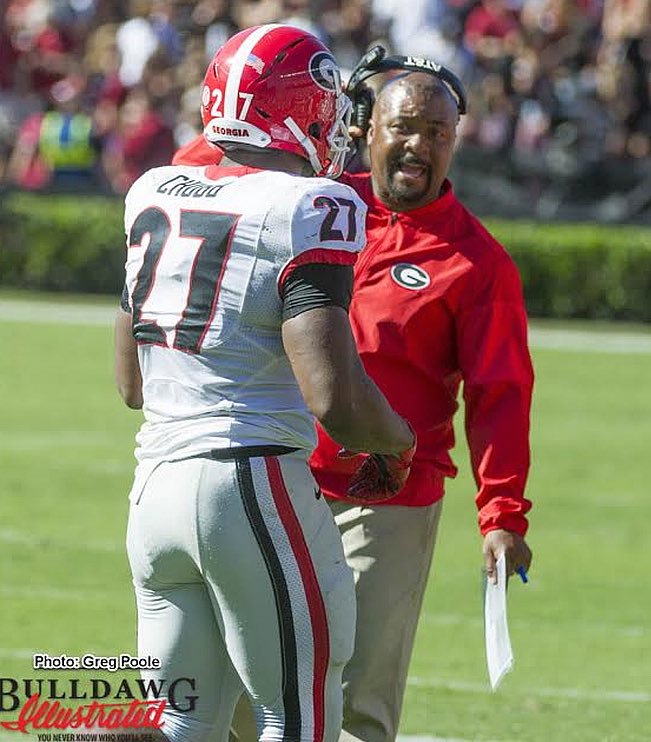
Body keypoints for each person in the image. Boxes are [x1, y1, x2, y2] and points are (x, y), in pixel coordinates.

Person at [173, 52, 534, 742]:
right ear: (365, 128)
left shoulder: (476, 262)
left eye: (437, 131)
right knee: (252, 696)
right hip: (279, 479)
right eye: (404, 126)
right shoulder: (315, 201)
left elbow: (501, 395)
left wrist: (501, 513)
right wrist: (300, 101)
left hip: (389, 497)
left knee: (358, 703)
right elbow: (201, 164)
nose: (419, 144)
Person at [114, 25, 416, 742]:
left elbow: (129, 380)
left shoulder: (153, 189)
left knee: (181, 724)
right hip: (249, 484)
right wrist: (399, 441)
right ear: (299, 107)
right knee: (299, 716)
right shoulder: (311, 204)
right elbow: (334, 400)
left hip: (153, 490)